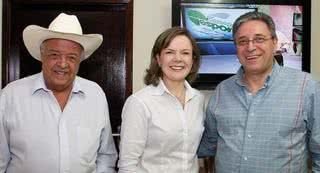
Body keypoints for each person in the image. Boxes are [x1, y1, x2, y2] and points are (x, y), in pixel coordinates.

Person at [198, 11, 320, 173]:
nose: (250, 47)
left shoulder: (307, 88)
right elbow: (208, 145)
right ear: (236, 48)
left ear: (274, 42)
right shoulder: (222, 91)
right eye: (242, 41)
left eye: (259, 39)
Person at [0, 13, 118, 173]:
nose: (63, 64)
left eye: (71, 57)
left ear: (79, 61)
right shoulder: (11, 95)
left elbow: (106, 155)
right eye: (54, 55)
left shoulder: (95, 95)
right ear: (42, 55)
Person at [117, 27, 205, 173]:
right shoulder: (139, 103)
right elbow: (127, 165)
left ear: (193, 60)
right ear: (158, 59)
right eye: (169, 52)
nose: (178, 58)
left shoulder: (198, 99)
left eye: (185, 53)